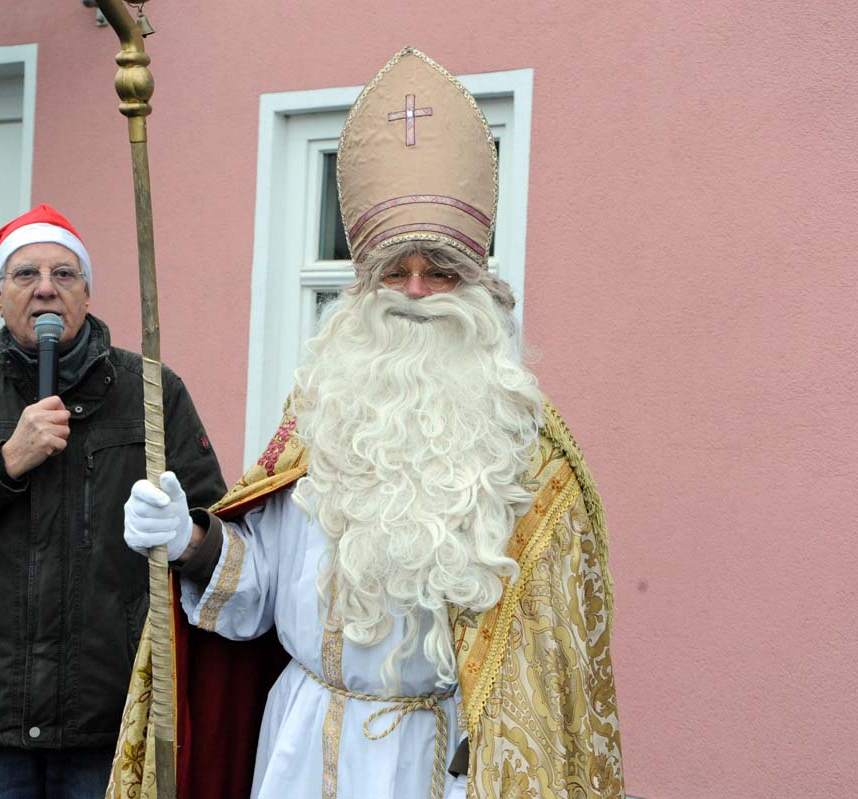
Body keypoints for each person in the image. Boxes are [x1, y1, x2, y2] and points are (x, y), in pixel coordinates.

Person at [110, 48, 624, 799]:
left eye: (440, 269)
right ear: (363, 281)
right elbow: (260, 595)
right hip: (298, 748)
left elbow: (541, 688)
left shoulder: (529, 456)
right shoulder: (322, 415)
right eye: (394, 268)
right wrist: (187, 541)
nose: (415, 291)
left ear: (478, 284)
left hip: (437, 761)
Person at [0, 204, 226, 799]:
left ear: (87, 294)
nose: (45, 289)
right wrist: (2, 463)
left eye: (64, 274)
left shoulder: (151, 391)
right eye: (25, 275)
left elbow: (218, 531)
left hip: (109, 713)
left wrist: (186, 536)